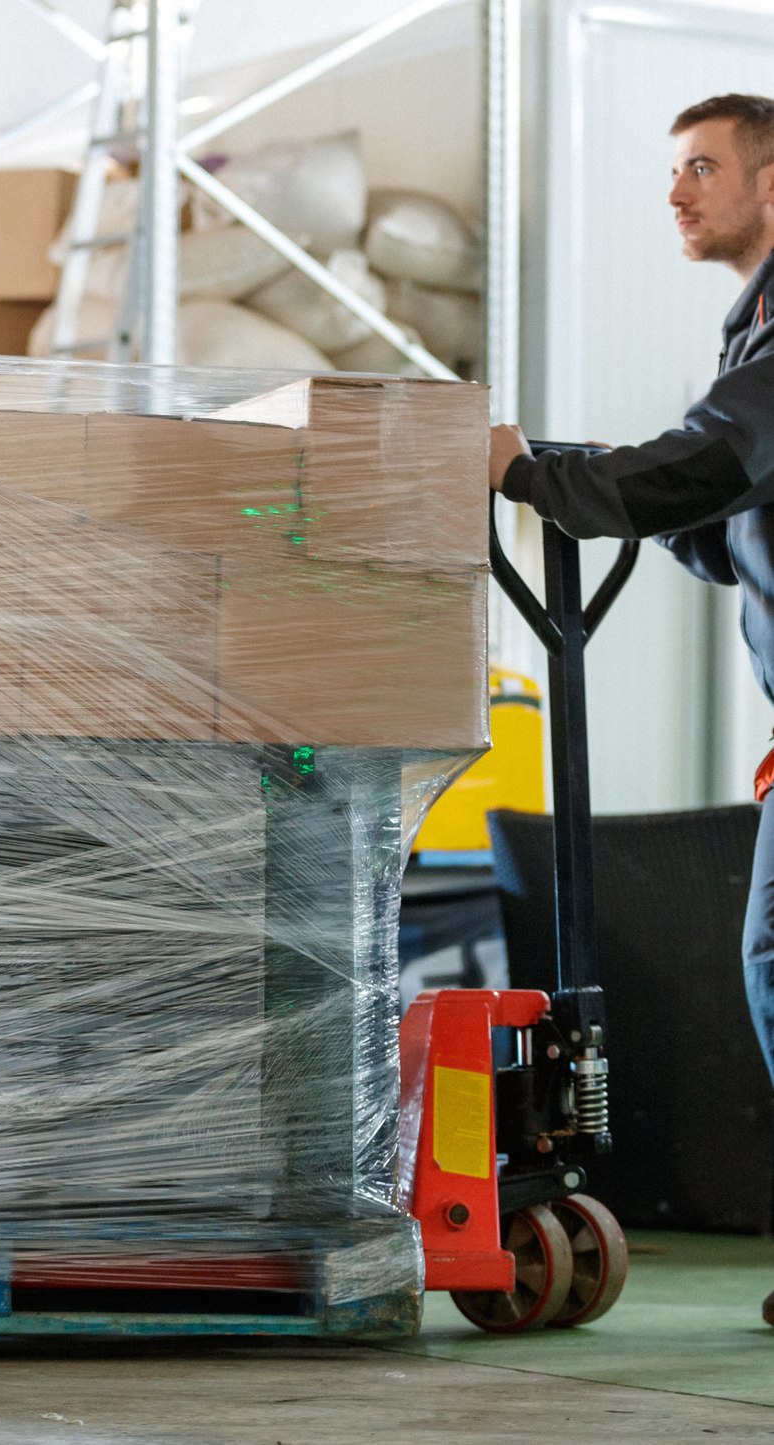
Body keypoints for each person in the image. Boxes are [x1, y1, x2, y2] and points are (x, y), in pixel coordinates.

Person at [490, 94, 774, 1318]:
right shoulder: (748, 327)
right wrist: (626, 493)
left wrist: (528, 474)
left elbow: (705, 466)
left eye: (701, 167)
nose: (676, 191)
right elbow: (711, 521)